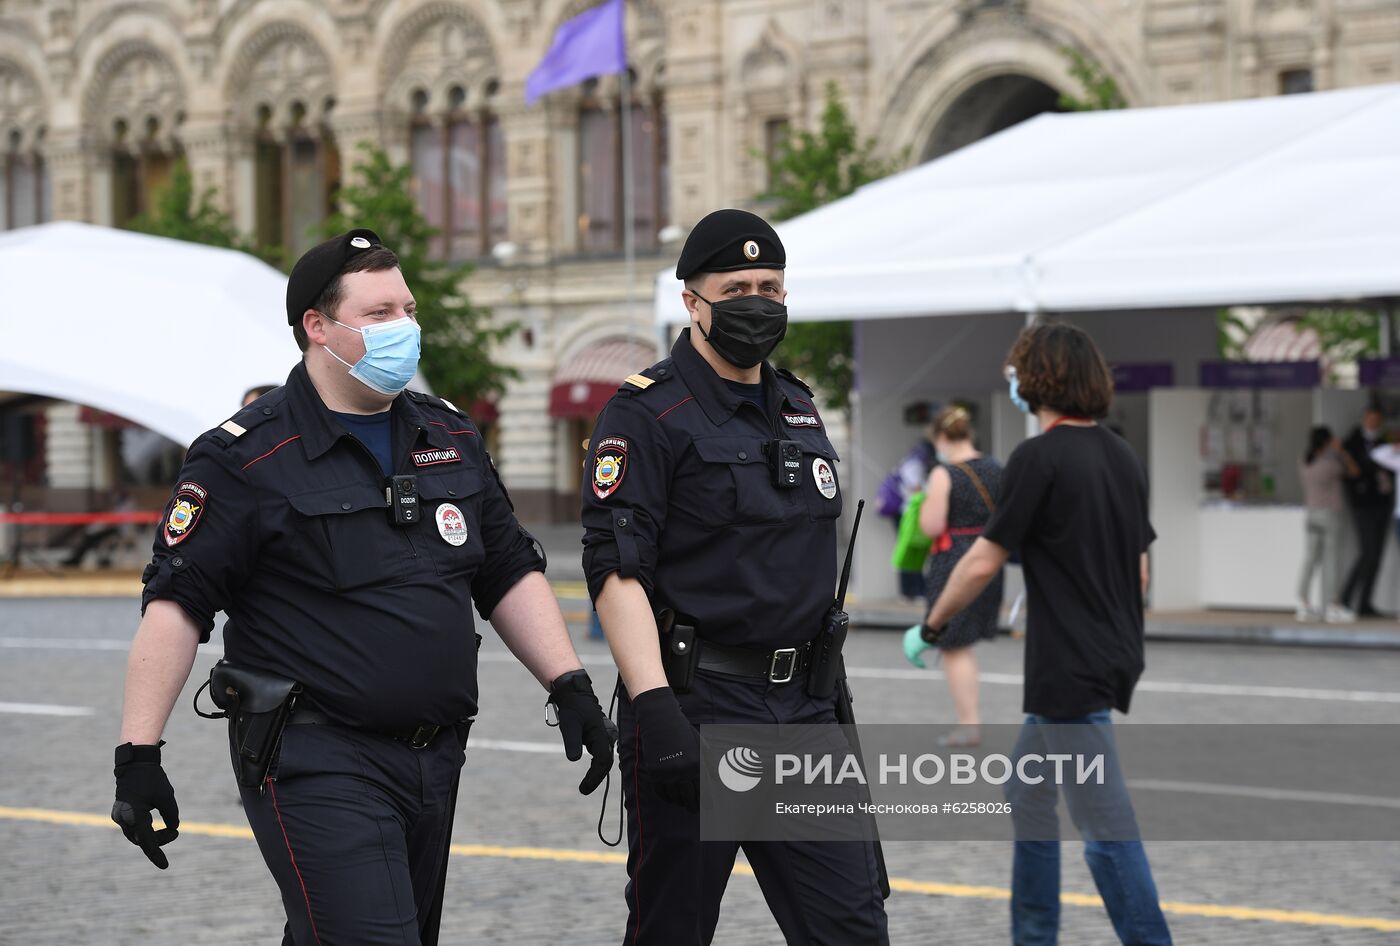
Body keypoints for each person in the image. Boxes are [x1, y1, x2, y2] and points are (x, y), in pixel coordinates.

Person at [111, 229, 615, 946]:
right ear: (317, 327)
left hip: (436, 756)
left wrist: (569, 684)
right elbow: (175, 607)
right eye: (379, 315)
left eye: (408, 309)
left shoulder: (449, 436)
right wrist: (139, 757)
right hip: (314, 757)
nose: (404, 327)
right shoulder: (243, 457)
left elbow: (507, 569)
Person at [581, 209, 889, 945]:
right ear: (693, 301)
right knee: (674, 928)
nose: (759, 301)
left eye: (772, 286)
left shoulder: (799, 407)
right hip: (699, 704)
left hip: (806, 710)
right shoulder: (645, 414)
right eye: (739, 285)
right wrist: (655, 710)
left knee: (850, 924)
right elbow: (618, 570)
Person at [916, 320, 1172, 946]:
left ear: (1040, 379)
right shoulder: (1120, 453)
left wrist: (933, 623)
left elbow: (982, 559)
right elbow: (1140, 567)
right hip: (1108, 651)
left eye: (1018, 371)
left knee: (1105, 830)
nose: (1013, 382)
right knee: (1026, 791)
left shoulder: (1038, 457)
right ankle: (1033, 935)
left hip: (1068, 666)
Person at [902, 405, 1003, 747]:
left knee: (954, 645)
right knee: (966, 642)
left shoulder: (944, 474)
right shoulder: (994, 468)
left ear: (941, 437)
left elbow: (931, 526)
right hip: (989, 554)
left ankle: (968, 724)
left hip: (954, 562)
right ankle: (969, 721)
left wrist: (921, 501)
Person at [1297, 425, 1359, 623]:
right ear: (1327, 442)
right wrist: (1340, 451)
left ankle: (1303, 603)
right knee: (1332, 560)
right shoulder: (1330, 464)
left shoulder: (1304, 461)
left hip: (1311, 515)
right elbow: (1354, 471)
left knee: (1310, 559)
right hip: (1330, 515)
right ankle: (1334, 605)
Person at [1340, 407, 1394, 617]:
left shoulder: (1384, 443)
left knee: (1377, 555)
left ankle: (1365, 602)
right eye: (1370, 419)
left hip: (1381, 503)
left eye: (1377, 420)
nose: (1373, 423)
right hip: (1362, 505)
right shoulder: (1352, 443)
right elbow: (1351, 474)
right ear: (1364, 419)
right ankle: (1345, 598)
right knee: (1368, 552)